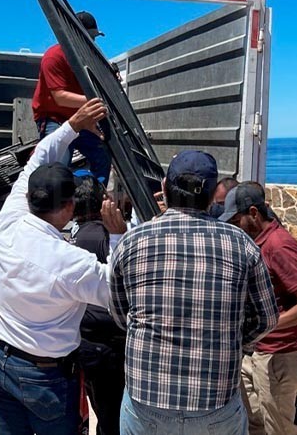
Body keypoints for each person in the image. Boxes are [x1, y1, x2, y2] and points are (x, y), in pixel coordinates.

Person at [0, 98, 126, 435]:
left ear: (30, 196)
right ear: (70, 206)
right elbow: (117, 292)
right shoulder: (69, 262)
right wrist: (118, 238)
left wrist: (71, 126)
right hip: (43, 377)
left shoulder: (5, 223)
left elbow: (37, 161)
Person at [109, 150, 279, 435]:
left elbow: (120, 314)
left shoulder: (131, 243)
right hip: (214, 403)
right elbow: (266, 318)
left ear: (164, 187)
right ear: (213, 195)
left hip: (146, 401)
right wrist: (232, 339)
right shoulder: (243, 245)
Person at [220, 182, 297, 435]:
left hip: (281, 353)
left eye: (236, 220)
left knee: (278, 427)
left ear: (253, 213)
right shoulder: (258, 242)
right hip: (260, 350)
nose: (233, 226)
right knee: (254, 419)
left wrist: (267, 324)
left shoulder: (279, 245)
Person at [70, 172, 126, 435]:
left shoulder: (72, 237)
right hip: (109, 347)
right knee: (113, 417)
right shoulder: (105, 237)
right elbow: (121, 281)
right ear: (102, 201)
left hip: (85, 342)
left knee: (100, 410)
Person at [32, 11, 112, 185]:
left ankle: (94, 201)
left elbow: (96, 85)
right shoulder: (53, 57)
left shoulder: (90, 59)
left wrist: (111, 77)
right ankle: (57, 203)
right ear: (73, 34)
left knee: (103, 154)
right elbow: (60, 98)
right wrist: (97, 102)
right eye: (88, 37)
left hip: (80, 116)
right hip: (55, 118)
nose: (92, 42)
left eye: (93, 37)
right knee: (58, 166)